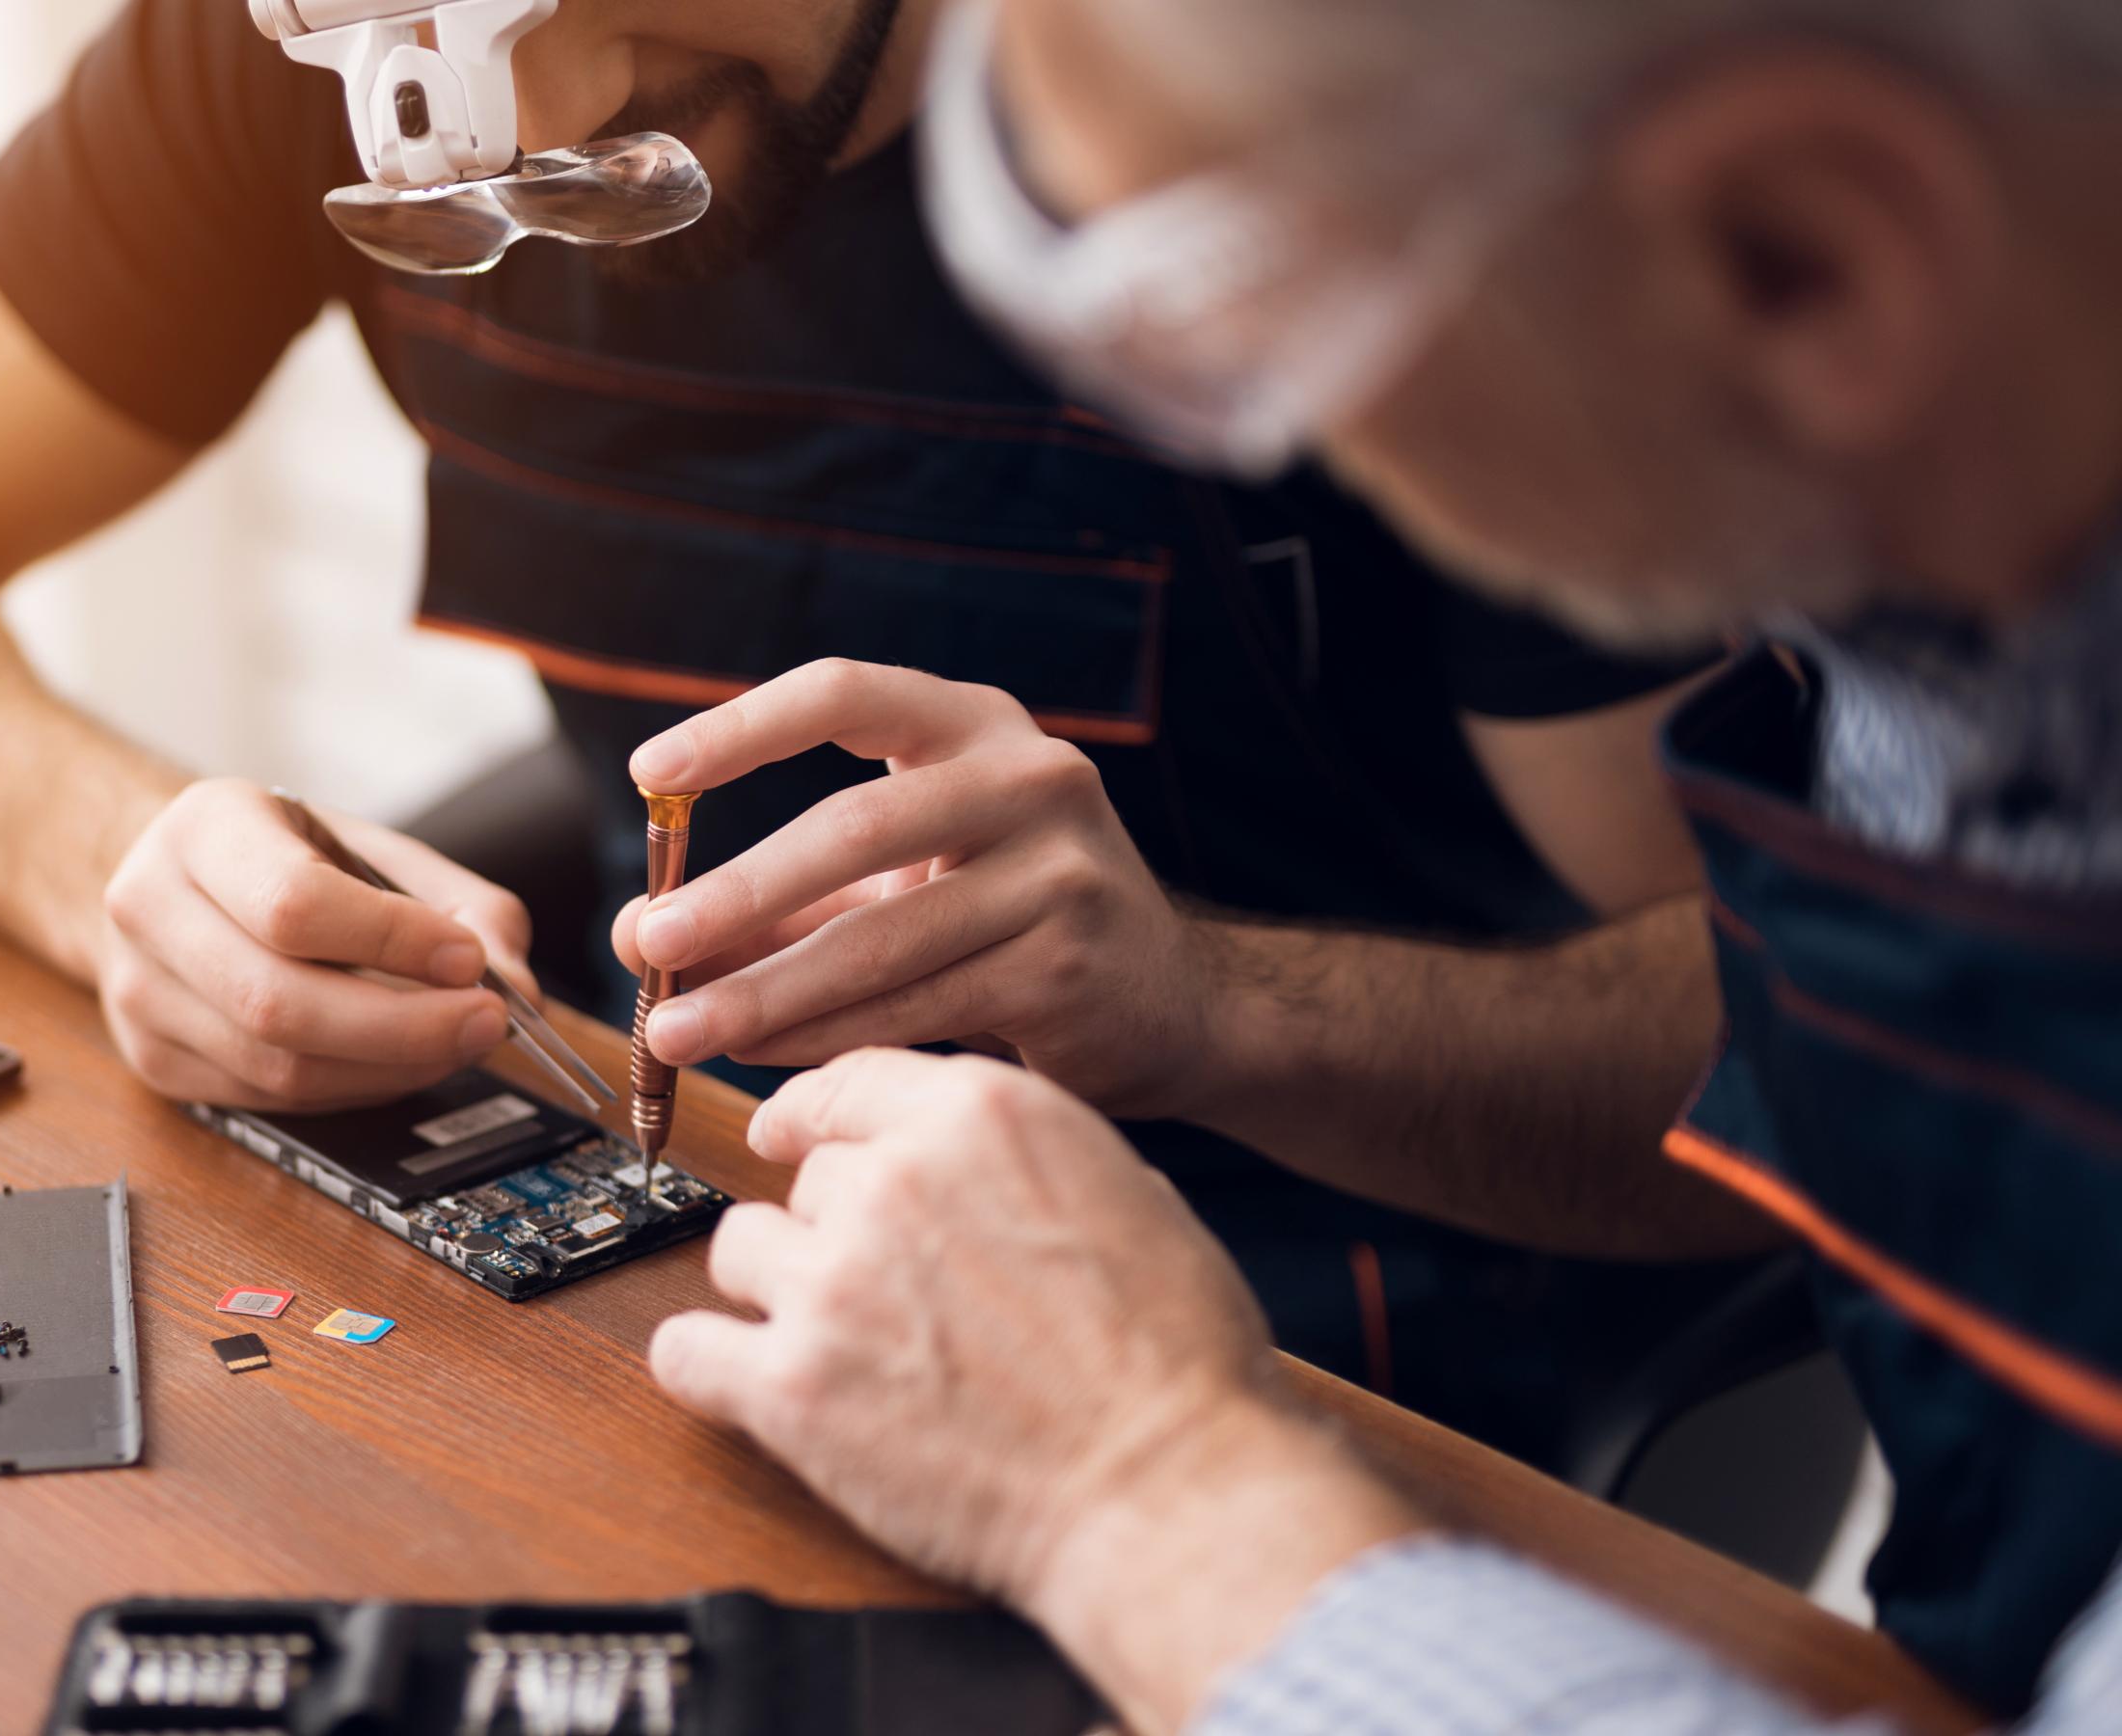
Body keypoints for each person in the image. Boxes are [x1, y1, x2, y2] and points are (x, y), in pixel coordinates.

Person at [0, 0, 1762, 1472]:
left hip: (1341, 1392)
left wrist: (1210, 1006)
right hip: (707, 1296)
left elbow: (1825, 1066)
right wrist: (121, 862)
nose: (543, 115)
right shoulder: (339, 56)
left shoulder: (1333, 124)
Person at [643, 0, 2122, 1726]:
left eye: (1245, 324)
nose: (1283, 453)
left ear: (1808, 254)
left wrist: (1144, 1493)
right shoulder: (1957, 608)